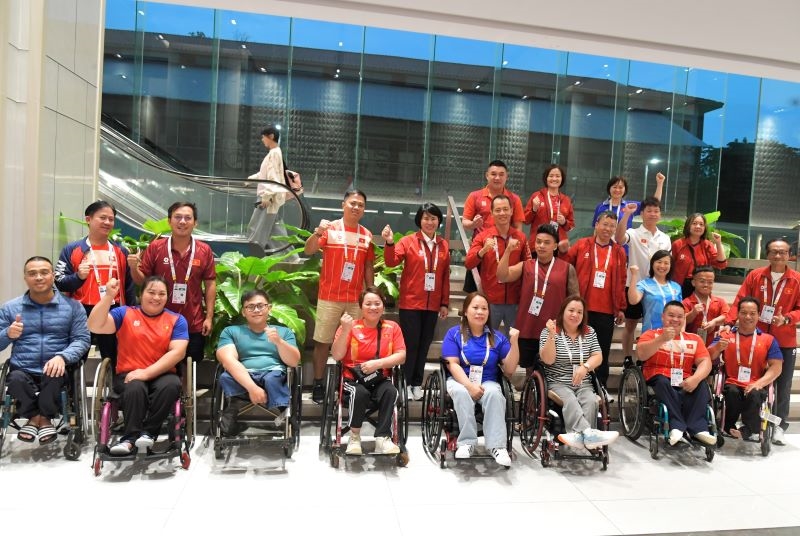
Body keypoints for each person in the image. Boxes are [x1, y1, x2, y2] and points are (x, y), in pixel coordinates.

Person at [87, 276, 189, 455]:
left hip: (162, 373)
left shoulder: (177, 320)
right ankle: (129, 439)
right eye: (151, 292)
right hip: (129, 373)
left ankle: (149, 433)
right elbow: (95, 326)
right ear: (141, 294)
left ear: (167, 297)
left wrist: (146, 373)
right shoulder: (124, 313)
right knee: (135, 387)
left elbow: (177, 353)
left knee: (171, 385)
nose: (156, 297)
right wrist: (109, 297)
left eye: (162, 294)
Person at [0, 256, 90, 444]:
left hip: (57, 369)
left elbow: (81, 340)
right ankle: (37, 417)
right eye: (32, 273)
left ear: (53, 275)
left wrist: (62, 357)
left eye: (44, 272)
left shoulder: (73, 307)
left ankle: (42, 418)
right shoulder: (10, 308)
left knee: (54, 373)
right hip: (23, 369)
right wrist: (7, 334)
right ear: (25, 278)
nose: (39, 277)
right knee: (15, 379)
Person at [726, 238, 800, 445]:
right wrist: (730, 323)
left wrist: (787, 319)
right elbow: (740, 301)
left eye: (783, 252)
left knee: (783, 386)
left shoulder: (797, 280)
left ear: (789, 256)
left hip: (784, 340)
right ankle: (750, 421)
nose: (778, 255)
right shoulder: (755, 276)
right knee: (751, 382)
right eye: (774, 251)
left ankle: (779, 426)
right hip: (755, 338)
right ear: (767, 254)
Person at [305, 189, 375, 404]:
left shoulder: (367, 234)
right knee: (322, 342)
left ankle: (347, 383)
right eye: (352, 203)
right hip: (329, 297)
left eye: (360, 205)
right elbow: (309, 250)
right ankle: (318, 383)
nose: (356, 207)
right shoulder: (330, 229)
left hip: (355, 299)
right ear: (343, 204)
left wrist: (370, 291)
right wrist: (318, 233)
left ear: (364, 209)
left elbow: (368, 266)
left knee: (353, 343)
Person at [128, 202, 216, 362]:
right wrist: (134, 268)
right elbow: (142, 280)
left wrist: (209, 317)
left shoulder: (204, 250)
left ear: (195, 223)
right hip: (157, 321)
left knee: (190, 367)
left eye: (187, 218)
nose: (182, 221)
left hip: (193, 323)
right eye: (177, 217)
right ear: (169, 221)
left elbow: (210, 284)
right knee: (159, 366)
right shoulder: (156, 247)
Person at [441, 292, 519, 466]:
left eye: (484, 308)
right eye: (475, 307)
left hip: (488, 380)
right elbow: (452, 364)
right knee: (461, 392)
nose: (480, 312)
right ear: (465, 311)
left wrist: (514, 344)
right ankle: (466, 443)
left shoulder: (497, 337)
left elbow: (510, 369)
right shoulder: (453, 334)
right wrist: (469, 386)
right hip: (459, 380)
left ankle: (497, 446)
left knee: (494, 394)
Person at [383, 203, 450, 402]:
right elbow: (391, 262)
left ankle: (416, 383)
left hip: (432, 305)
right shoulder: (408, 241)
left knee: (424, 345)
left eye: (433, 218)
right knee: (410, 345)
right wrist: (389, 243)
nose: (430, 222)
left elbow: (445, 276)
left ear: (439, 221)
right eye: (426, 218)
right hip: (411, 304)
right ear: (419, 220)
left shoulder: (443, 245)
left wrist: (444, 303)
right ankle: (404, 382)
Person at [55, 200, 137, 361]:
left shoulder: (121, 251)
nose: (107, 222)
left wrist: (131, 313)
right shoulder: (72, 249)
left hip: (112, 311)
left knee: (113, 359)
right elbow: (60, 281)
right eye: (103, 218)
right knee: (76, 358)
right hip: (81, 311)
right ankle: (74, 378)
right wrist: (78, 277)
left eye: (111, 219)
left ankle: (113, 378)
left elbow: (129, 286)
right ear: (88, 219)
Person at [331, 287, 406, 456]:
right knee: (359, 393)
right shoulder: (350, 326)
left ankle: (382, 438)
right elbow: (337, 355)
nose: (373, 307)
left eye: (377, 303)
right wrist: (345, 330)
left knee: (390, 391)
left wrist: (378, 364)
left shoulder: (392, 327)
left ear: (383, 306)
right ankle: (354, 437)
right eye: (368, 304)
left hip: (380, 377)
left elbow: (401, 356)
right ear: (361, 307)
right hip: (353, 379)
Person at [539, 296, 619, 449]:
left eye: (579, 312)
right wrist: (551, 335)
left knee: (590, 400)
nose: (575, 315)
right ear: (563, 312)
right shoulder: (550, 330)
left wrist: (585, 367)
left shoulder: (589, 332)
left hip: (583, 382)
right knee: (570, 399)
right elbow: (548, 360)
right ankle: (588, 433)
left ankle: (579, 436)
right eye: (571, 310)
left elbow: (598, 356)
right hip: (558, 381)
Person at [215, 290, 301, 434]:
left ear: (269, 308)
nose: (256, 310)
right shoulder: (230, 331)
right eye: (250, 306)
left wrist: (279, 342)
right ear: (243, 312)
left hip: (273, 374)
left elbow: (293, 362)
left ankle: (284, 410)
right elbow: (228, 360)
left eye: (260, 306)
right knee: (225, 377)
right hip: (244, 377)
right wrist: (253, 388)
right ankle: (234, 406)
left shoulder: (284, 332)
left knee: (272, 379)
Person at [497, 224, 578, 375]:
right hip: (528, 327)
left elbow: (576, 300)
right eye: (538, 241)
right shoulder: (526, 265)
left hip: (553, 330)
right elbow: (502, 275)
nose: (541, 246)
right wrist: (508, 251)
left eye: (547, 242)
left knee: (552, 370)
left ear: (555, 246)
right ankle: (530, 391)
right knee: (530, 371)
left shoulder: (567, 268)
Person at [561, 211, 627, 389]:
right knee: (577, 347)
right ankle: (574, 383)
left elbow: (622, 280)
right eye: (605, 224)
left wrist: (621, 307)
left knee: (601, 350)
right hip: (581, 308)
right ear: (596, 225)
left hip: (607, 310)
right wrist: (562, 250)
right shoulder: (582, 244)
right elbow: (565, 266)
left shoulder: (619, 252)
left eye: (612, 226)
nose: (608, 229)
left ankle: (600, 387)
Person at [636, 301, 715, 446]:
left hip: (684, 379)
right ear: (663, 317)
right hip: (658, 376)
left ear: (684, 319)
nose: (675, 319)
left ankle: (698, 428)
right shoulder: (651, 334)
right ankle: (676, 425)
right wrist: (661, 339)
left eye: (680, 316)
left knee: (701, 384)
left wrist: (696, 378)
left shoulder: (694, 339)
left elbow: (706, 362)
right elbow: (641, 354)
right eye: (671, 315)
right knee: (662, 381)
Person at [708, 297, 782, 440]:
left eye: (752, 313)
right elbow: (707, 356)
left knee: (755, 394)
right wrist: (717, 348)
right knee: (732, 392)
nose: (748, 317)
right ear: (737, 314)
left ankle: (748, 430)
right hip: (732, 382)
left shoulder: (768, 339)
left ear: (759, 315)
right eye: (743, 313)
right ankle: (728, 427)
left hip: (756, 383)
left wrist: (759, 383)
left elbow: (777, 367)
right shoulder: (725, 335)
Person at [615, 197, 671, 361]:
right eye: (649, 211)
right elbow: (619, 239)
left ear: (660, 214)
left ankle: (648, 358)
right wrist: (626, 215)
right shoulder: (634, 233)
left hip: (656, 288)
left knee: (654, 324)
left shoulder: (665, 238)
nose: (653, 214)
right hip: (634, 286)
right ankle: (627, 358)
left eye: (656, 211)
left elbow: (668, 263)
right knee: (630, 325)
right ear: (642, 213)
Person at [465, 195, 530, 335]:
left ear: (512, 211)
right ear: (492, 212)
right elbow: (469, 263)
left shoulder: (521, 237)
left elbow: (529, 266)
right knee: (486, 339)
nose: (502, 213)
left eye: (505, 209)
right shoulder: (483, 237)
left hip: (514, 300)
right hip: (490, 300)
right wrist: (483, 251)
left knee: (513, 341)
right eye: (498, 210)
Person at [248, 125, 287, 249]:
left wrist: (267, 196)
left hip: (267, 199)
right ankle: (291, 258)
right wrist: (250, 180)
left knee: (256, 230)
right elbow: (265, 174)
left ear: (271, 136)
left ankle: (253, 255)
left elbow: (273, 177)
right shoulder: (275, 153)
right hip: (271, 198)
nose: (262, 140)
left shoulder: (274, 153)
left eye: (263, 137)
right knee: (276, 232)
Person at [461, 160, 525, 235]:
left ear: (506, 176)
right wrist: (473, 224)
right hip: (481, 241)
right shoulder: (474, 196)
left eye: (501, 175)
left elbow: (518, 227)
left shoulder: (515, 199)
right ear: (487, 175)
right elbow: (465, 222)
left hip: (505, 241)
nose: (497, 178)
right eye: (493, 174)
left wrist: (515, 240)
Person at [671, 213, 728, 297]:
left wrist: (718, 243)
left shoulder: (708, 245)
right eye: (694, 223)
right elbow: (670, 266)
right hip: (680, 287)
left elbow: (722, 264)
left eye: (701, 224)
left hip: (701, 286)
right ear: (688, 225)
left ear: (704, 228)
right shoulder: (678, 244)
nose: (698, 226)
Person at [627, 250, 682, 334]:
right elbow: (633, 300)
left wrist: (681, 331)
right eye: (659, 262)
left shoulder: (676, 287)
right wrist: (634, 275)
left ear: (671, 266)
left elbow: (682, 312)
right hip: (651, 332)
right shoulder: (644, 284)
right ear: (652, 263)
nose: (662, 266)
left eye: (666, 263)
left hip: (673, 332)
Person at [523, 164, 575, 248]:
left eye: (557, 176)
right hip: (539, 244)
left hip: (558, 246)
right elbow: (525, 220)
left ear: (562, 179)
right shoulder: (537, 196)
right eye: (551, 176)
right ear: (546, 178)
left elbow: (571, 226)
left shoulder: (566, 200)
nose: (554, 179)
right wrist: (534, 210)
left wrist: (564, 222)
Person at [591, 173, 665, 228]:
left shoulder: (630, 206)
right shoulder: (600, 207)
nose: (617, 190)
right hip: (605, 243)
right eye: (614, 187)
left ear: (625, 190)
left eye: (620, 187)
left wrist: (660, 183)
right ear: (609, 188)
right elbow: (596, 228)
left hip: (624, 243)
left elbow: (654, 204)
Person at [683, 265, 729, 347]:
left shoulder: (720, 302)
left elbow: (728, 315)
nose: (706, 285)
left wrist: (715, 322)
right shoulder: (686, 302)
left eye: (710, 282)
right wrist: (693, 313)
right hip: (690, 346)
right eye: (702, 281)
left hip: (712, 346)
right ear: (693, 282)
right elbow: (681, 320)